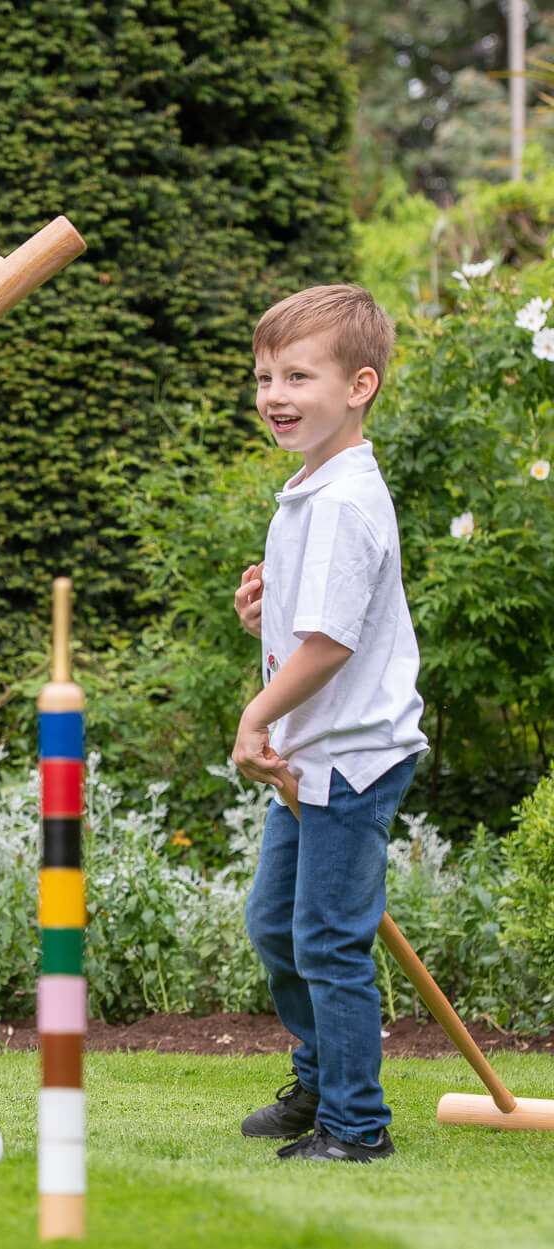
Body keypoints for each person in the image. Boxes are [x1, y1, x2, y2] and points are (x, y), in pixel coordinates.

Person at [230, 283, 428, 1161]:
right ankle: (320, 1077)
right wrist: (264, 618)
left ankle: (356, 1125)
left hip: (353, 755)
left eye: (297, 376)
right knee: (278, 925)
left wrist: (256, 713)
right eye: (265, 376)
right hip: (310, 753)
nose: (274, 394)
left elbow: (334, 644)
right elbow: (316, 626)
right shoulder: (311, 487)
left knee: (329, 941)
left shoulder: (346, 501)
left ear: (359, 385)